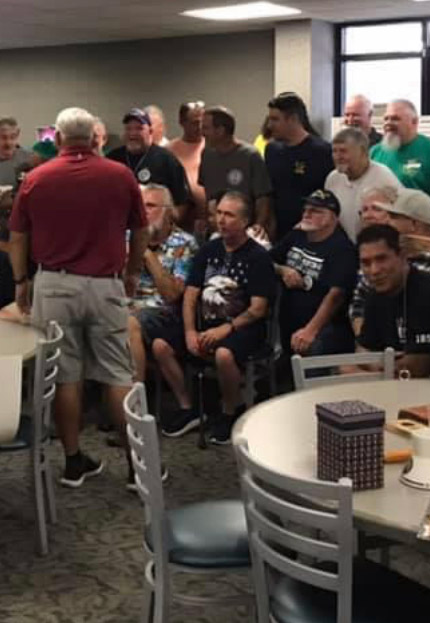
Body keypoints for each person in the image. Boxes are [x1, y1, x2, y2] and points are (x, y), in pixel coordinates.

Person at [9, 107, 148, 489]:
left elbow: (18, 235)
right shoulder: (120, 176)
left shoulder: (36, 178)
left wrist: (21, 280)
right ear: (94, 138)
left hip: (53, 285)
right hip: (105, 284)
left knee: (65, 376)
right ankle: (137, 469)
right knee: (118, 373)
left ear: (58, 139)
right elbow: (140, 231)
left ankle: (73, 463)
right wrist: (134, 272)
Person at [151, 192, 275, 444]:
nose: (221, 220)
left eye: (229, 215)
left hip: (244, 327)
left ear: (245, 221)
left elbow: (259, 309)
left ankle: (231, 410)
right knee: (160, 346)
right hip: (205, 322)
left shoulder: (258, 257)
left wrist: (226, 330)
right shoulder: (208, 250)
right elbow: (190, 295)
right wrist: (189, 331)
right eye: (219, 213)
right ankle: (189, 407)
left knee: (223, 354)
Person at [347, 188, 430, 335]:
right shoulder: (389, 256)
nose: (386, 221)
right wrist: (366, 340)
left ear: (414, 224)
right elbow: (358, 302)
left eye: (393, 216)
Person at [354, 224, 430, 377]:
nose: (374, 270)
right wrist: (376, 366)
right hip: (405, 384)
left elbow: (417, 368)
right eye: (366, 263)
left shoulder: (429, 293)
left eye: (381, 259)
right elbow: (363, 349)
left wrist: (371, 367)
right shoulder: (376, 294)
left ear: (403, 255)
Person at [128, 184, 199, 413]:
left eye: (150, 206)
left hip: (165, 313)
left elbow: (172, 295)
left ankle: (135, 411)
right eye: (140, 206)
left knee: (129, 324)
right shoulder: (128, 236)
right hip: (126, 304)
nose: (143, 212)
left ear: (169, 212)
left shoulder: (184, 244)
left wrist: (147, 255)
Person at [270, 190, 357, 359]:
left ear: (333, 218)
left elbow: (336, 295)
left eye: (316, 211)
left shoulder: (342, 248)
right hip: (287, 318)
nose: (307, 214)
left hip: (323, 326)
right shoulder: (297, 234)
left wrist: (311, 330)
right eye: (306, 209)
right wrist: (283, 270)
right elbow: (266, 261)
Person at [370, 100, 430, 236]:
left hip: (417, 232)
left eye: (395, 119)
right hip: (381, 233)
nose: (388, 123)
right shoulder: (375, 152)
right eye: (386, 118)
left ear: (414, 122)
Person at [265, 92, 335, 241]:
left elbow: (330, 197)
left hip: (311, 233)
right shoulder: (272, 150)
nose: (269, 125)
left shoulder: (322, 151)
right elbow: (270, 193)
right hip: (280, 233)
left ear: (293, 119)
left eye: (275, 119)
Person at [198, 105, 273, 237]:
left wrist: (259, 226)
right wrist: (204, 219)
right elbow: (207, 194)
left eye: (205, 128)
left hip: (244, 232)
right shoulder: (207, 154)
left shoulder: (250, 156)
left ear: (220, 130)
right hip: (216, 232)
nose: (201, 132)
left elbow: (263, 197)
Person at [107, 108, 190, 222]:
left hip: (154, 229)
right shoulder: (112, 158)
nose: (133, 134)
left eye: (139, 128)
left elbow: (182, 201)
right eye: (128, 129)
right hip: (119, 226)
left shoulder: (167, 160)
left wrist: (168, 226)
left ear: (150, 131)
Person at [323, 127, 401, 239]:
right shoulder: (333, 178)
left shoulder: (384, 178)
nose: (338, 157)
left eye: (343, 151)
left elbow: (399, 219)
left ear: (363, 151)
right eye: (334, 151)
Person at [167, 101, 207, 228]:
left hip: (210, 221)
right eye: (195, 123)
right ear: (182, 122)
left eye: (203, 121)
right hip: (180, 222)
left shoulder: (213, 148)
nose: (200, 126)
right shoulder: (168, 151)